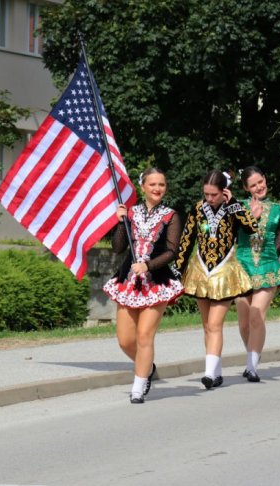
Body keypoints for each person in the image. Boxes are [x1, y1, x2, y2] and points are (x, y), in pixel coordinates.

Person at [174, 170, 261, 389]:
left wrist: (234, 204)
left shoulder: (234, 208)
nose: (209, 198)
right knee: (207, 325)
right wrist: (176, 270)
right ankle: (217, 371)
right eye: (206, 194)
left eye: (214, 194)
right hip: (200, 271)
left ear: (224, 192)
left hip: (225, 272)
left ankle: (209, 374)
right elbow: (186, 239)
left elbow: (252, 227)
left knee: (215, 324)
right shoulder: (197, 208)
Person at [103, 168, 184, 403]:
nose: (158, 188)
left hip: (156, 283)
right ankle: (147, 366)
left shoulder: (171, 215)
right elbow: (118, 248)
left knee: (144, 335)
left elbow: (172, 250)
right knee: (125, 340)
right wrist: (120, 222)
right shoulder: (130, 212)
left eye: (162, 184)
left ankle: (138, 386)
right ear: (143, 187)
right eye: (153, 184)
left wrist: (148, 266)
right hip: (128, 282)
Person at [235, 166, 280, 382]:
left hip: (268, 269)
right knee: (244, 322)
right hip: (242, 269)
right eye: (253, 184)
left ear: (265, 179)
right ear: (247, 188)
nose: (259, 186)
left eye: (261, 181)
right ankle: (252, 356)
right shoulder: (238, 208)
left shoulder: (277, 209)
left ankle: (251, 366)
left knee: (256, 315)